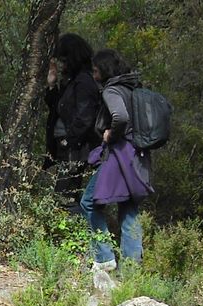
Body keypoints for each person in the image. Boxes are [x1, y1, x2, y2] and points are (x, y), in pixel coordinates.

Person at [81, 48, 152, 271]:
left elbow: (120, 116)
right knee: (129, 207)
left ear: (104, 70)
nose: (94, 75)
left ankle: (104, 258)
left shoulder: (111, 91)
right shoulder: (132, 87)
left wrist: (110, 134)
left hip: (119, 155)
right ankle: (132, 271)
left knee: (89, 202)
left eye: (95, 71)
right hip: (137, 155)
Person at [44, 33, 100, 213]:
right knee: (64, 194)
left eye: (63, 60)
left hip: (75, 149)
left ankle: (79, 238)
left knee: (66, 197)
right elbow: (57, 108)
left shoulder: (84, 81)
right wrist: (52, 85)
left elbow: (85, 117)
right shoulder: (71, 81)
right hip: (66, 147)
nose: (61, 64)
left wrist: (69, 140)